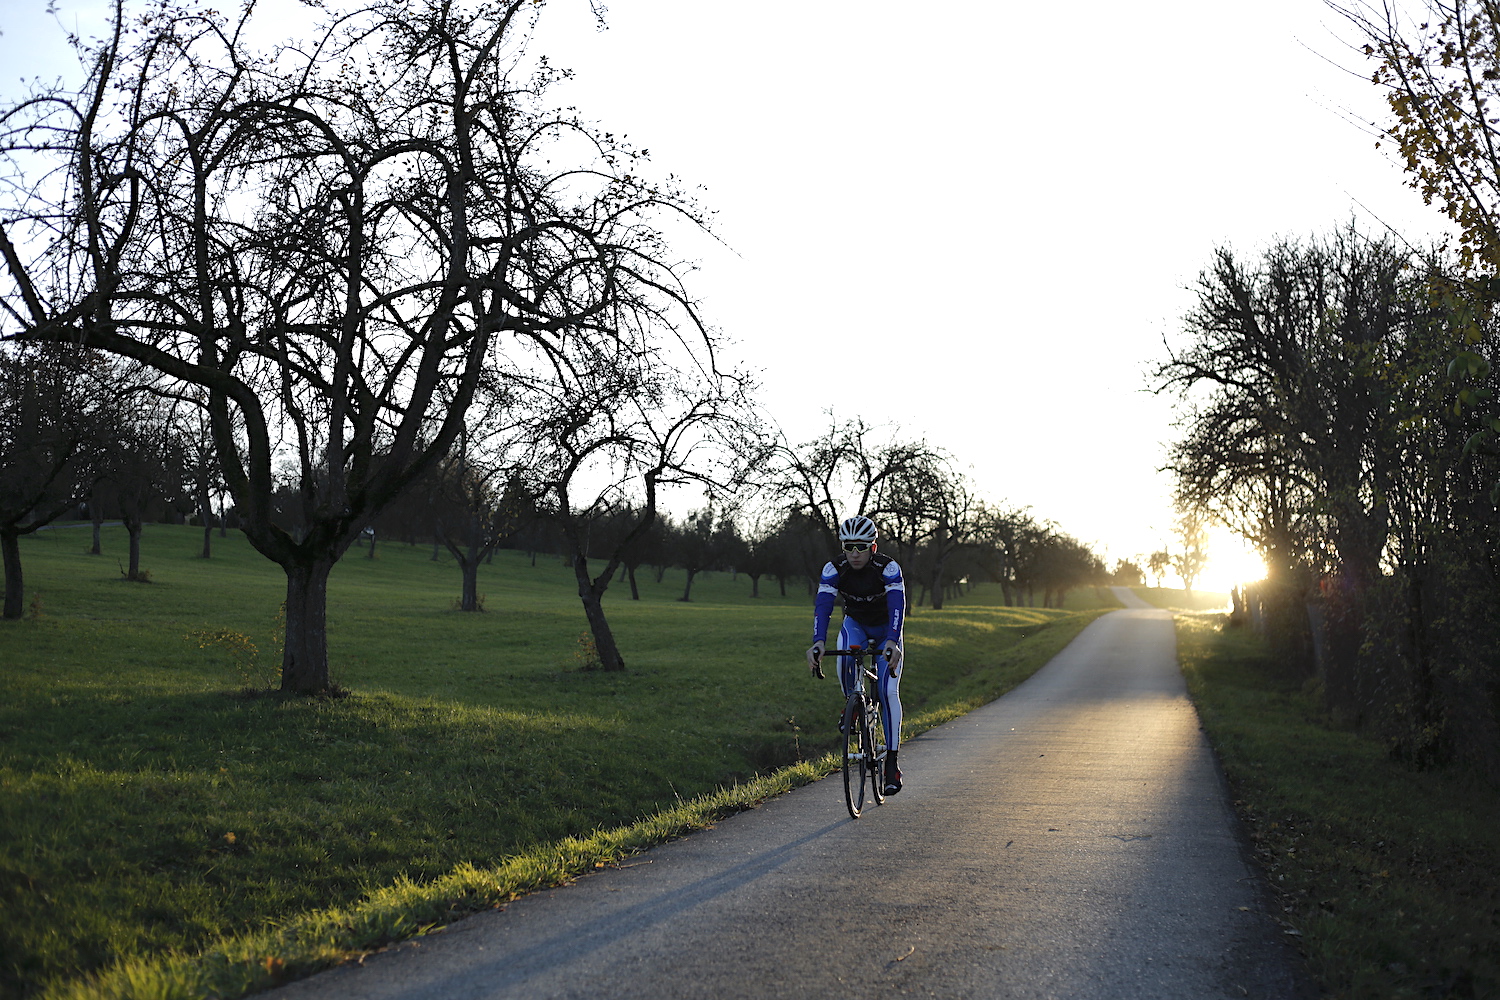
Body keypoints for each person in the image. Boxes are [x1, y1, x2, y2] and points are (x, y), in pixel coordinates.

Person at [805, 514, 907, 795]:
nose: (854, 553)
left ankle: (892, 765)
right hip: (857, 624)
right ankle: (852, 705)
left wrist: (892, 641)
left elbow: (898, 606)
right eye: (848, 546)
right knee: (843, 660)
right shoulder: (833, 569)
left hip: (887, 627)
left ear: (873, 547)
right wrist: (817, 642)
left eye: (861, 547)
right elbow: (823, 606)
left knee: (887, 692)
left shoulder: (887, 568)